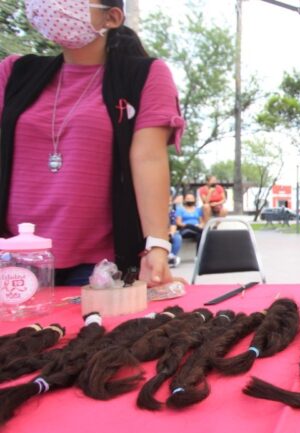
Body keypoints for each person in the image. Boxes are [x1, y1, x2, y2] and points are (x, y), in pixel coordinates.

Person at [0, 0, 183, 286]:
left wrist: (157, 245)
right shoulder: (13, 73)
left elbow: (148, 158)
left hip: (98, 269)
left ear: (111, 17)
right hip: (12, 261)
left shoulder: (143, 76)